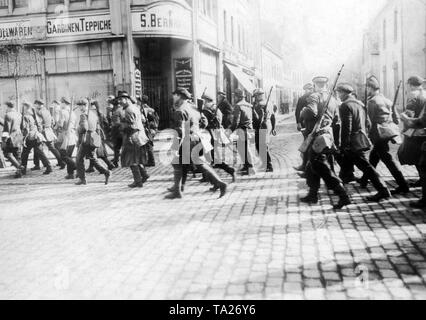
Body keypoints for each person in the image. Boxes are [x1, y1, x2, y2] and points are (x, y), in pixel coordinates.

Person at [166, 87, 227, 199]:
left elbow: (180, 131)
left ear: (179, 96)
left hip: (188, 141)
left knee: (187, 163)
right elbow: (204, 122)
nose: (173, 97)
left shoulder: (180, 111)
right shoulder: (194, 107)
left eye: (174, 95)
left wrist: (175, 148)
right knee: (185, 164)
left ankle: (220, 183)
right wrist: (196, 129)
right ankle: (178, 190)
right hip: (198, 138)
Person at [299, 78, 351, 210]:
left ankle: (343, 195)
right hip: (327, 135)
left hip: (317, 136)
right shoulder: (333, 99)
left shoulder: (314, 96)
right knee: (311, 167)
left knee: (322, 168)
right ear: (326, 85)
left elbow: (311, 111)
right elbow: (337, 121)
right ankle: (312, 194)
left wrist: (302, 112)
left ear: (316, 86)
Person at [337, 83, 391, 202]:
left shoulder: (345, 106)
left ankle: (383, 190)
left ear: (344, 93)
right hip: (360, 138)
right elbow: (368, 123)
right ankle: (339, 187)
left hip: (353, 143)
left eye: (339, 93)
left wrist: (344, 145)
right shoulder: (360, 103)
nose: (338, 95)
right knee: (345, 165)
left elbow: (347, 127)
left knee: (366, 167)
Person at [358, 76, 409, 195]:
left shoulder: (372, 101)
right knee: (374, 157)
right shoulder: (387, 100)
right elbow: (396, 119)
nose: (367, 90)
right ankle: (365, 180)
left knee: (388, 159)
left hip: (378, 133)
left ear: (370, 88)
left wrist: (367, 136)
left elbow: (368, 121)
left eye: (367, 88)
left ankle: (403, 185)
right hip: (387, 132)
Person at [400, 76, 426, 208]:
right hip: (423, 133)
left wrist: (404, 125)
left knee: (418, 159)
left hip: (415, 131)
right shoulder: (425, 93)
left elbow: (409, 115)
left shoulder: (412, 95)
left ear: (411, 84)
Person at [201, 93, 236, 184]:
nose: (203, 102)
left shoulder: (205, 111)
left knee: (210, 159)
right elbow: (220, 120)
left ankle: (229, 170)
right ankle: (207, 177)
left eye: (203, 100)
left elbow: (204, 124)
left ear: (206, 101)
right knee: (210, 158)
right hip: (215, 134)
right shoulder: (215, 109)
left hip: (209, 135)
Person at [75, 99, 111, 186]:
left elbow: (83, 128)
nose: (79, 108)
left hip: (86, 139)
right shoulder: (93, 114)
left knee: (80, 159)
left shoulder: (84, 115)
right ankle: (83, 178)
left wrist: (78, 129)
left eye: (80, 106)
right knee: (91, 158)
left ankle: (105, 172)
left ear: (84, 105)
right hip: (93, 138)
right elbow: (98, 127)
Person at [118, 92, 150, 188]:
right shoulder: (135, 107)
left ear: (127, 99)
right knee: (137, 158)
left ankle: (138, 181)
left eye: (121, 99)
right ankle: (144, 175)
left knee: (131, 160)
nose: (119, 101)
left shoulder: (128, 110)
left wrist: (122, 127)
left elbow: (132, 126)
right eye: (119, 99)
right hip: (139, 136)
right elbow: (143, 120)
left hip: (132, 137)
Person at [20, 102, 53, 176]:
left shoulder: (26, 116)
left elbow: (26, 129)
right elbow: (40, 125)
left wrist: (24, 139)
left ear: (25, 108)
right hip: (37, 135)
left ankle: (23, 170)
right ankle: (49, 166)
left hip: (30, 137)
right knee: (40, 153)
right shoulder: (34, 115)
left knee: (24, 154)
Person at [32, 100, 65, 171]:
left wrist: (39, 132)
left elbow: (39, 123)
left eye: (36, 104)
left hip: (43, 131)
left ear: (37, 105)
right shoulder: (46, 111)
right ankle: (60, 162)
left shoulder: (38, 112)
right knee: (39, 147)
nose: (35, 106)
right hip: (48, 130)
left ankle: (61, 162)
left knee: (45, 147)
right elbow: (52, 121)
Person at [231, 89, 255, 176]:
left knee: (244, 149)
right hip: (249, 129)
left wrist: (230, 130)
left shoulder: (238, 106)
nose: (234, 98)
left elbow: (236, 121)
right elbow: (254, 117)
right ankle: (246, 166)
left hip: (242, 129)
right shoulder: (249, 105)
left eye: (235, 96)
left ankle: (250, 167)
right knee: (244, 148)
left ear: (238, 97)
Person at [253, 89, 275, 172]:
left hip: (261, 126)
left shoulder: (259, 105)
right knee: (263, 145)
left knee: (261, 146)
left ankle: (269, 165)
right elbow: (273, 116)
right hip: (268, 124)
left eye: (255, 96)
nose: (254, 98)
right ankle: (265, 163)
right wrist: (273, 128)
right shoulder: (269, 103)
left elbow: (257, 119)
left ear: (259, 96)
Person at [55, 97, 78, 180]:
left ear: (64, 103)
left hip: (66, 136)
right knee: (68, 156)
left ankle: (76, 166)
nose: (60, 104)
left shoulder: (62, 112)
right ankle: (70, 174)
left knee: (63, 155)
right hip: (72, 135)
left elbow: (61, 123)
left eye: (61, 103)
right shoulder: (73, 112)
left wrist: (56, 126)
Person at [294, 83, 314, 172]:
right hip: (305, 124)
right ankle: (305, 165)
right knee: (306, 144)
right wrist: (298, 122)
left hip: (314, 124)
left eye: (309, 89)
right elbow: (297, 111)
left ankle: (309, 166)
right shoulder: (302, 98)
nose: (307, 91)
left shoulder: (316, 97)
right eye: (306, 90)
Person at [2, 101, 24, 178]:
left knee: (7, 154)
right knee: (17, 155)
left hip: (11, 137)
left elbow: (6, 129)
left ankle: (19, 167)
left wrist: (4, 140)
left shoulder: (7, 115)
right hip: (18, 136)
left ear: (8, 107)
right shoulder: (19, 114)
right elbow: (22, 126)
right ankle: (19, 173)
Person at [139, 95, 159, 167]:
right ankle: (150, 160)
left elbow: (144, 120)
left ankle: (151, 161)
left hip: (148, 129)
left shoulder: (144, 109)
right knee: (149, 144)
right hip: (153, 128)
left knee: (148, 145)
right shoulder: (150, 109)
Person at [110, 94, 125, 168]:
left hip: (118, 132)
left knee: (117, 148)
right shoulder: (123, 109)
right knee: (124, 147)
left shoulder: (116, 111)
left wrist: (112, 126)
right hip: (124, 131)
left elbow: (116, 123)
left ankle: (116, 162)